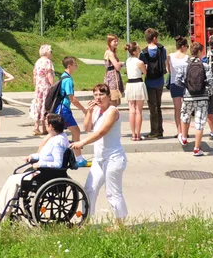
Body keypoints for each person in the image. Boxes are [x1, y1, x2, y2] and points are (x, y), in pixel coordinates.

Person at [0, 113, 70, 224]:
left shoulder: (57, 142)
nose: (45, 125)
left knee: (14, 180)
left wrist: (41, 165)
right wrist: (33, 156)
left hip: (47, 175)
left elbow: (57, 163)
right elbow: (47, 155)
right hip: (44, 172)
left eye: (47, 123)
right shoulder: (56, 138)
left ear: (51, 126)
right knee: (13, 178)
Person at [71, 83, 128, 222]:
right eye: (95, 94)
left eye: (101, 94)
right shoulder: (96, 110)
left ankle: (119, 225)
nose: (98, 97)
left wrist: (82, 143)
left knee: (113, 193)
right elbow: (87, 128)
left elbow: (102, 132)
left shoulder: (112, 111)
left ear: (108, 97)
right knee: (89, 189)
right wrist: (89, 112)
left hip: (113, 157)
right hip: (99, 158)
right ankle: (85, 221)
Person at [54, 56, 90, 167]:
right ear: (69, 66)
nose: (76, 67)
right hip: (64, 110)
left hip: (60, 108)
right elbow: (72, 98)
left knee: (58, 134)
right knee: (76, 132)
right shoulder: (68, 79)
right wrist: (84, 109)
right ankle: (79, 159)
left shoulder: (62, 77)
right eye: (75, 65)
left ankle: (69, 156)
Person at [179, 42, 212, 156]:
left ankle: (183, 137)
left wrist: (186, 88)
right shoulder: (205, 66)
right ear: (199, 52)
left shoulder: (185, 65)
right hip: (202, 97)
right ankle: (197, 149)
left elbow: (178, 80)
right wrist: (208, 94)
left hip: (188, 96)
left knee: (185, 115)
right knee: (199, 122)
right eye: (202, 51)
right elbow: (210, 82)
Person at [138, 28, 168, 138]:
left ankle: (154, 130)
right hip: (160, 81)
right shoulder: (162, 49)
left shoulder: (143, 52)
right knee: (158, 106)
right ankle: (160, 130)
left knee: (152, 107)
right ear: (154, 38)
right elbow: (164, 61)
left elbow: (142, 67)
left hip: (149, 82)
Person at [168, 36, 190, 139]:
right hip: (185, 84)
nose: (187, 48)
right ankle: (185, 131)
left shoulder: (170, 56)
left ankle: (179, 131)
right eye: (187, 46)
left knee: (177, 109)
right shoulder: (187, 58)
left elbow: (169, 70)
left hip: (174, 83)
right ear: (183, 46)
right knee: (186, 109)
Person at [123, 42, 146, 141]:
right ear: (135, 51)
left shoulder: (128, 61)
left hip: (130, 84)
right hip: (138, 84)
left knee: (131, 110)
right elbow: (145, 72)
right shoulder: (139, 62)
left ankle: (133, 134)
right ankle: (138, 134)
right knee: (138, 111)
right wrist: (145, 69)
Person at [30, 44, 54, 136]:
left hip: (39, 87)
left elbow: (34, 76)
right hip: (46, 87)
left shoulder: (38, 62)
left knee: (38, 106)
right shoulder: (48, 62)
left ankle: (37, 127)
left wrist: (35, 86)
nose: (51, 53)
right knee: (46, 106)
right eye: (51, 51)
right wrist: (53, 85)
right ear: (47, 52)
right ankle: (45, 128)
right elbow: (49, 75)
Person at [103, 35, 124, 106]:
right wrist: (120, 64)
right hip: (112, 77)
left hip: (111, 76)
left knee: (115, 100)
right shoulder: (110, 53)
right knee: (113, 99)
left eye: (117, 41)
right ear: (109, 42)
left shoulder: (110, 52)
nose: (116, 43)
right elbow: (117, 67)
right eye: (114, 41)